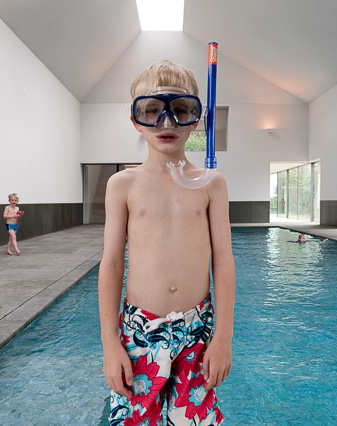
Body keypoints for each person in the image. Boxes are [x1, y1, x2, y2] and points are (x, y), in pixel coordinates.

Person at [98, 60, 235, 426]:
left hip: (197, 329)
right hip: (139, 329)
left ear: (196, 118)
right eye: (152, 111)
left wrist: (223, 337)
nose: (167, 122)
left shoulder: (212, 183)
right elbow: (112, 263)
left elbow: (223, 260)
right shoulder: (123, 184)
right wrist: (110, 342)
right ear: (136, 119)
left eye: (180, 110)